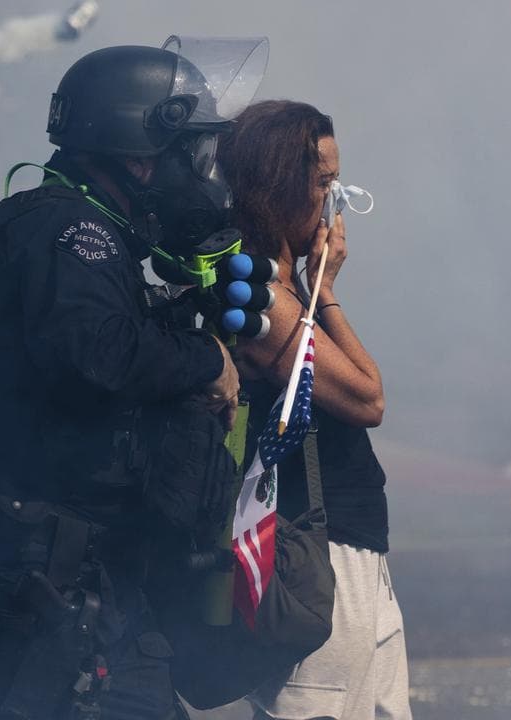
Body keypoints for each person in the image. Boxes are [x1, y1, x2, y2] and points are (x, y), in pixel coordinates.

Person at [0, 40, 268, 720]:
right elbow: (97, 353)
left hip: (53, 574)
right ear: (140, 153)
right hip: (58, 586)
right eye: (193, 152)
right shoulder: (72, 231)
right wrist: (204, 359)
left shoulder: (55, 224)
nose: (202, 174)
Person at [217, 100, 412, 720]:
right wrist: (324, 292)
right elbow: (365, 395)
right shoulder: (260, 302)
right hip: (313, 558)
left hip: (355, 554)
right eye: (325, 183)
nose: (335, 201)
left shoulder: (281, 288)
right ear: (279, 190)